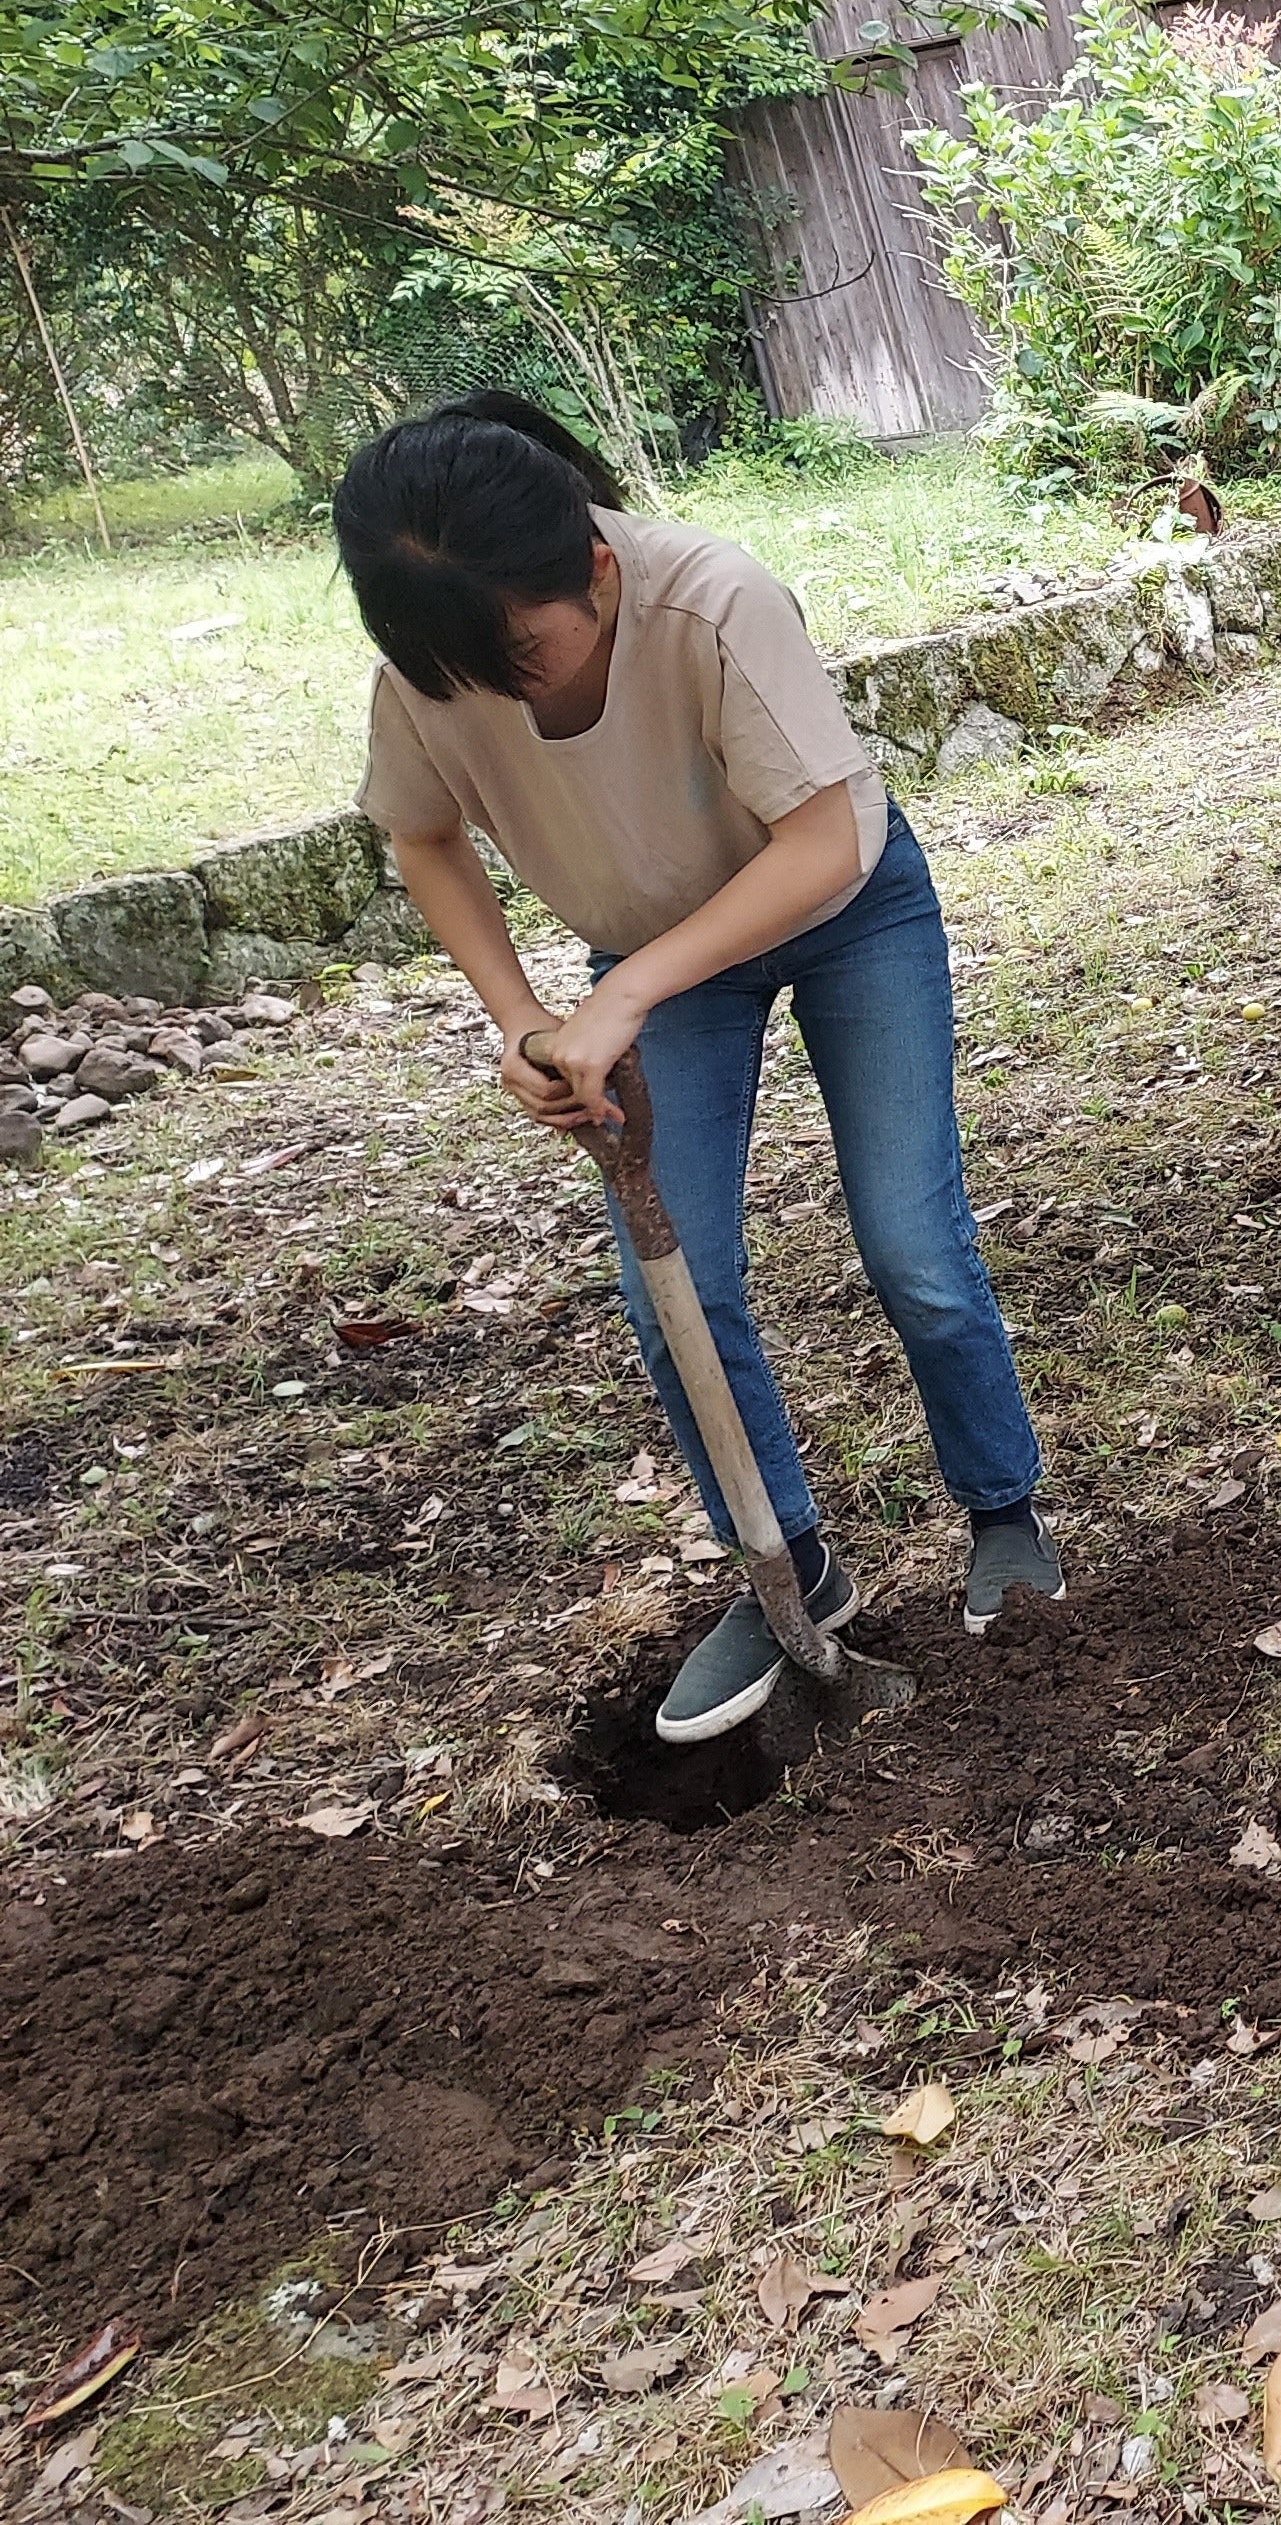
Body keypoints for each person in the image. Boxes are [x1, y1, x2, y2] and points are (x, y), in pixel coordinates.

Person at [335, 392, 1064, 1745]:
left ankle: (1004, 1512)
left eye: (523, 655)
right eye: (461, 673)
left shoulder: (715, 599)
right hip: (652, 956)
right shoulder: (439, 660)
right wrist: (520, 1021)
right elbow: (423, 835)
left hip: (847, 913)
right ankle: (788, 1563)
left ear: (596, 570)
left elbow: (821, 844)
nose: (503, 693)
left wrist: (621, 992)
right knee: (676, 1281)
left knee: (910, 1241)